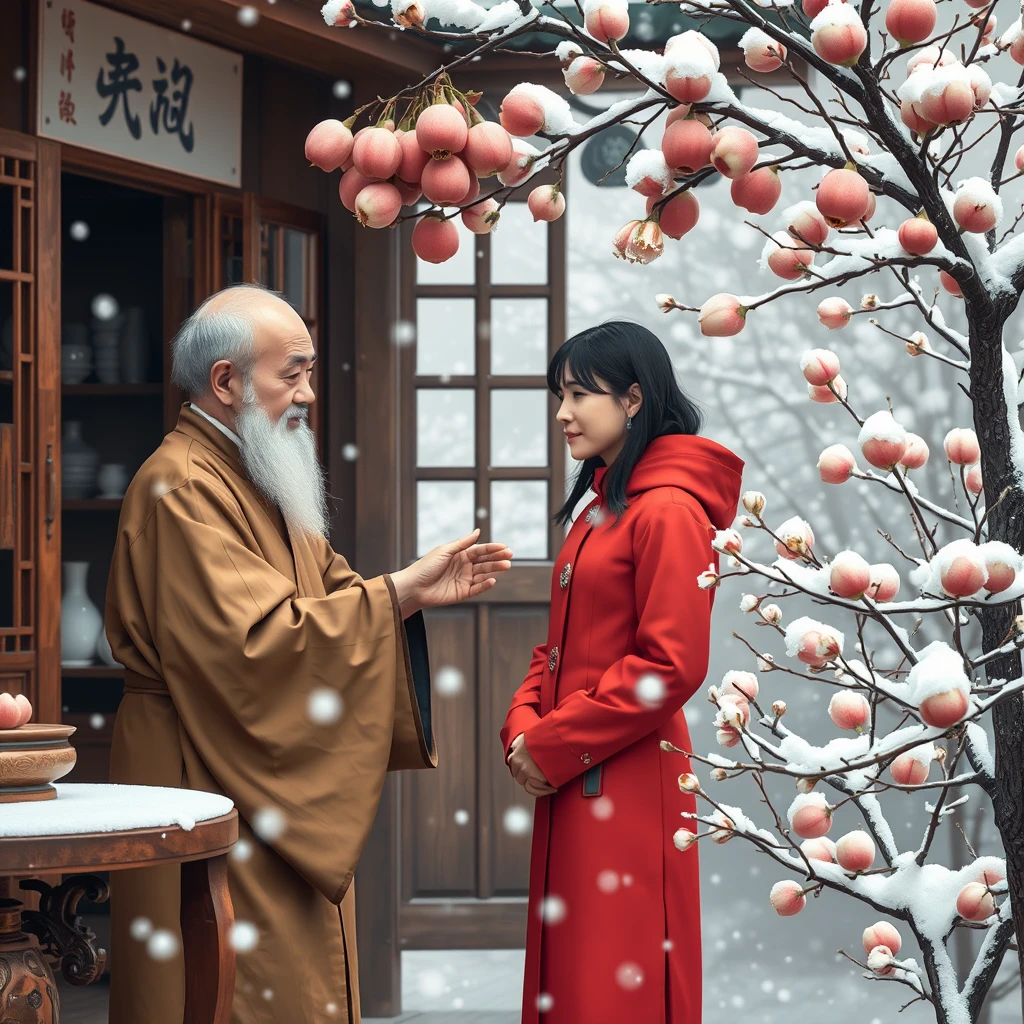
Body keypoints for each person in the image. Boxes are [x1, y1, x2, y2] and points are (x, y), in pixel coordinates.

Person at [105, 283, 513, 1024]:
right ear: (226, 382)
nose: (309, 394)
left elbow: (330, 596)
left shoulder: (252, 472)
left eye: (310, 371)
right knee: (226, 984)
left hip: (261, 759)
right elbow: (252, 647)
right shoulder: (180, 486)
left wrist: (406, 595)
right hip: (203, 763)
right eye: (290, 374)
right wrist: (393, 595)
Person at [500, 321, 744, 1024]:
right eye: (559, 394)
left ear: (634, 399)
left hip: (630, 783)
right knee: (578, 982)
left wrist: (549, 746)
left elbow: (670, 665)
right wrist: (524, 730)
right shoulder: (605, 509)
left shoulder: (666, 511)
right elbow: (556, 654)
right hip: (580, 771)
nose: (562, 413)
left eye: (579, 394)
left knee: (614, 983)